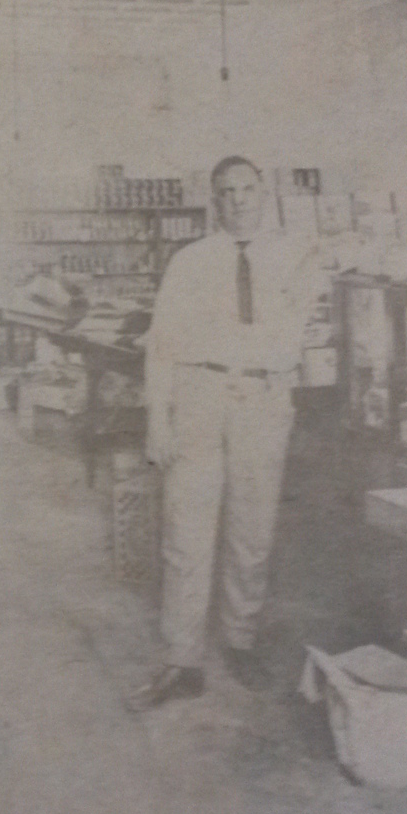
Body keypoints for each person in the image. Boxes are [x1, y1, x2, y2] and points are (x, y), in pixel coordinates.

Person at [126, 156, 322, 711]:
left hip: (262, 398)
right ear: (213, 200)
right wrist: (157, 419)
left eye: (247, 189)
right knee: (186, 531)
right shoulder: (190, 262)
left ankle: (240, 640)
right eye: (226, 191)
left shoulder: (295, 256)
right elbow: (161, 344)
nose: (238, 200)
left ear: (264, 193)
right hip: (199, 397)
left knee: (251, 529)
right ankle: (182, 659)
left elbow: (298, 329)